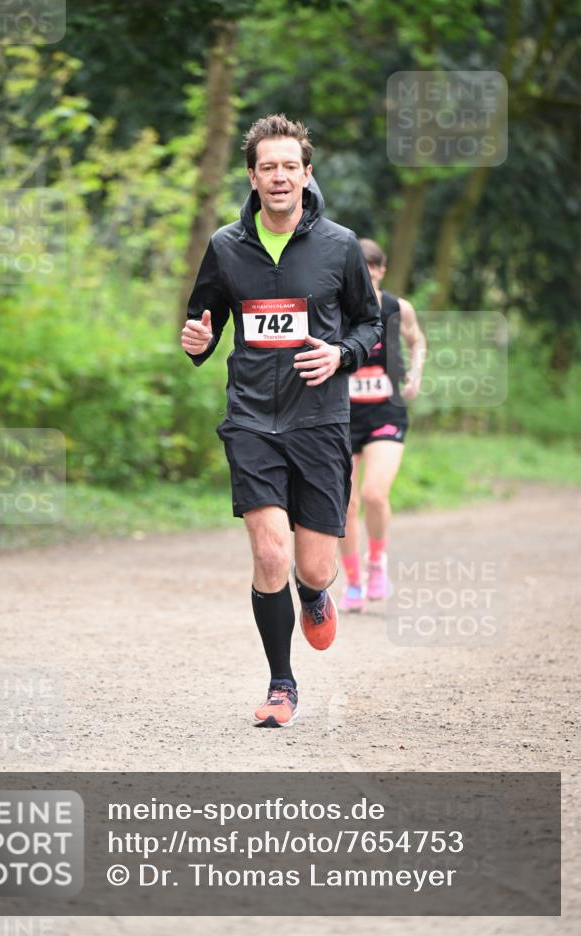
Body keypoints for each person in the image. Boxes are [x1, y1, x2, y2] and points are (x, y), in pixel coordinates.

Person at [180, 114, 381, 728]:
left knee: (313, 566)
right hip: (251, 420)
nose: (279, 176)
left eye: (290, 165)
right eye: (268, 166)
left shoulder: (341, 246)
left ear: (306, 173)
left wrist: (340, 353)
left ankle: (317, 593)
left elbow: (370, 326)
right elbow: (202, 327)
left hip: (319, 421)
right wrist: (195, 341)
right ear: (252, 175)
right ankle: (281, 684)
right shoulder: (225, 248)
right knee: (270, 551)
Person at [339, 238, 425, 611]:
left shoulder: (397, 308)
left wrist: (416, 373)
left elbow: (416, 340)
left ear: (382, 269)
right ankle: (354, 581)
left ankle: (377, 562)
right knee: (344, 504)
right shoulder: (336, 307)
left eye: (374, 266)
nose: (368, 272)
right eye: (361, 265)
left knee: (374, 494)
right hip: (342, 414)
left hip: (386, 413)